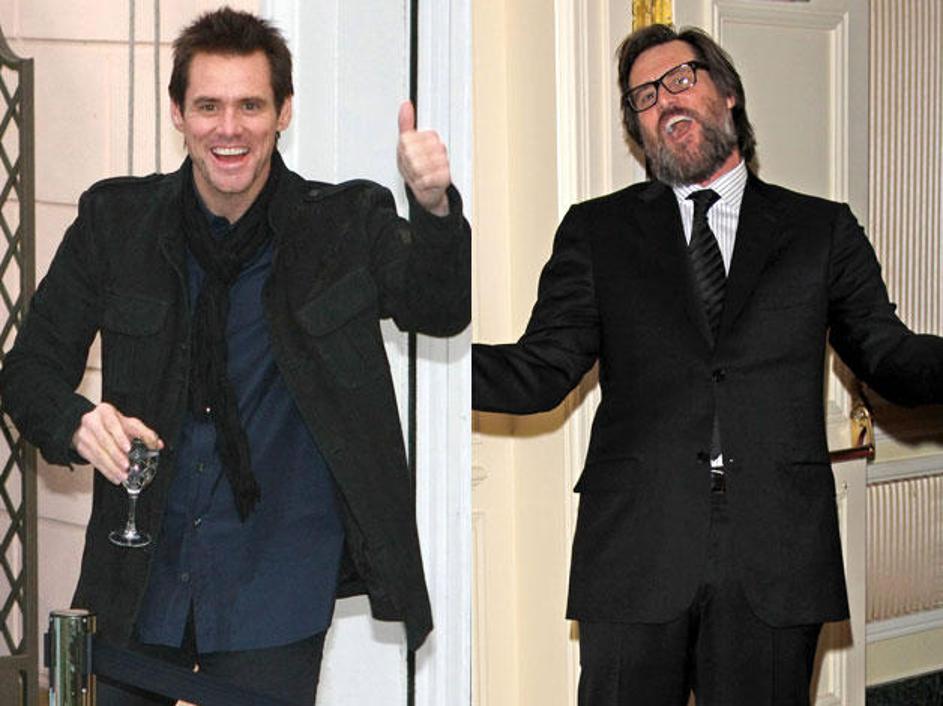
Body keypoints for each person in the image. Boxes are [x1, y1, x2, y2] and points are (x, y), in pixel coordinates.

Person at [0, 7, 469, 705]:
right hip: (137, 570)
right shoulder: (115, 223)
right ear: (178, 113)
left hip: (277, 579)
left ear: (283, 112)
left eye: (250, 105)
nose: (229, 128)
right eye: (208, 106)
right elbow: (26, 374)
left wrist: (433, 210)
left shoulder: (345, 223)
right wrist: (77, 422)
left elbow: (439, 308)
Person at [473, 23, 943, 706]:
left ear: (727, 94)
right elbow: (540, 370)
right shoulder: (597, 231)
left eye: (679, 80)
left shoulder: (820, 230)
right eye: (642, 97)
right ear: (637, 129)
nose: (663, 101)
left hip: (776, 549)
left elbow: (887, 355)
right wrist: (423, 366)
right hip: (635, 546)